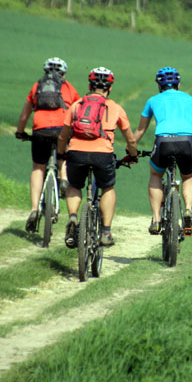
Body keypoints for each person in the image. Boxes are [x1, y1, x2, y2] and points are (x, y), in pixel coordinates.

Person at [57, 67, 138, 247]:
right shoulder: (115, 108)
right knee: (107, 187)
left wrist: (62, 153)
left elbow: (63, 136)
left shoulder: (76, 105)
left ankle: (72, 218)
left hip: (76, 152)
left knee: (74, 185)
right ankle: (106, 232)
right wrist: (133, 155)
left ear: (89, 86)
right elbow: (130, 139)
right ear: (110, 88)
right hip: (103, 154)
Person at [133, 67, 192, 236]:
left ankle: (156, 219)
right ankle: (188, 210)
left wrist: (130, 149)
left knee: (156, 175)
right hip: (186, 142)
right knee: (188, 176)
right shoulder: (191, 100)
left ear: (159, 85)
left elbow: (140, 130)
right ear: (178, 84)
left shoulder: (153, 100)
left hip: (163, 142)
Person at [15, 57, 80, 233]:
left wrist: (20, 132)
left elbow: (24, 114)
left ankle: (34, 209)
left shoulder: (37, 87)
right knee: (62, 156)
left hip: (40, 129)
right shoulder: (68, 88)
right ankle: (64, 179)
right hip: (61, 128)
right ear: (63, 73)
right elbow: (78, 112)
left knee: (38, 167)